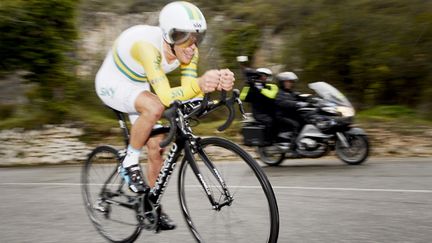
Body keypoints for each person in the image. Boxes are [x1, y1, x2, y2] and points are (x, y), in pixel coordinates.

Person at [94, 1, 235, 230]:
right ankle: (129, 162)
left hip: (137, 84)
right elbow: (167, 97)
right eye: (185, 38)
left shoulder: (190, 52)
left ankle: (150, 208)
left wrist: (215, 85)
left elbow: (187, 92)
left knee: (157, 148)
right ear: (170, 35)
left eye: (198, 37)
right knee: (154, 107)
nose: (192, 45)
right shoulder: (146, 47)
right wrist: (201, 83)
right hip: (112, 83)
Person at [274, 72, 308, 143]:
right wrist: (297, 103)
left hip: (290, 115)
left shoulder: (291, 92)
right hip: (282, 116)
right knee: (296, 125)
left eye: (291, 82)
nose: (289, 83)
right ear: (282, 82)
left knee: (306, 120)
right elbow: (283, 102)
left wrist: (309, 99)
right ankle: (293, 148)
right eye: (287, 82)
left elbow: (297, 97)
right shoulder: (279, 92)